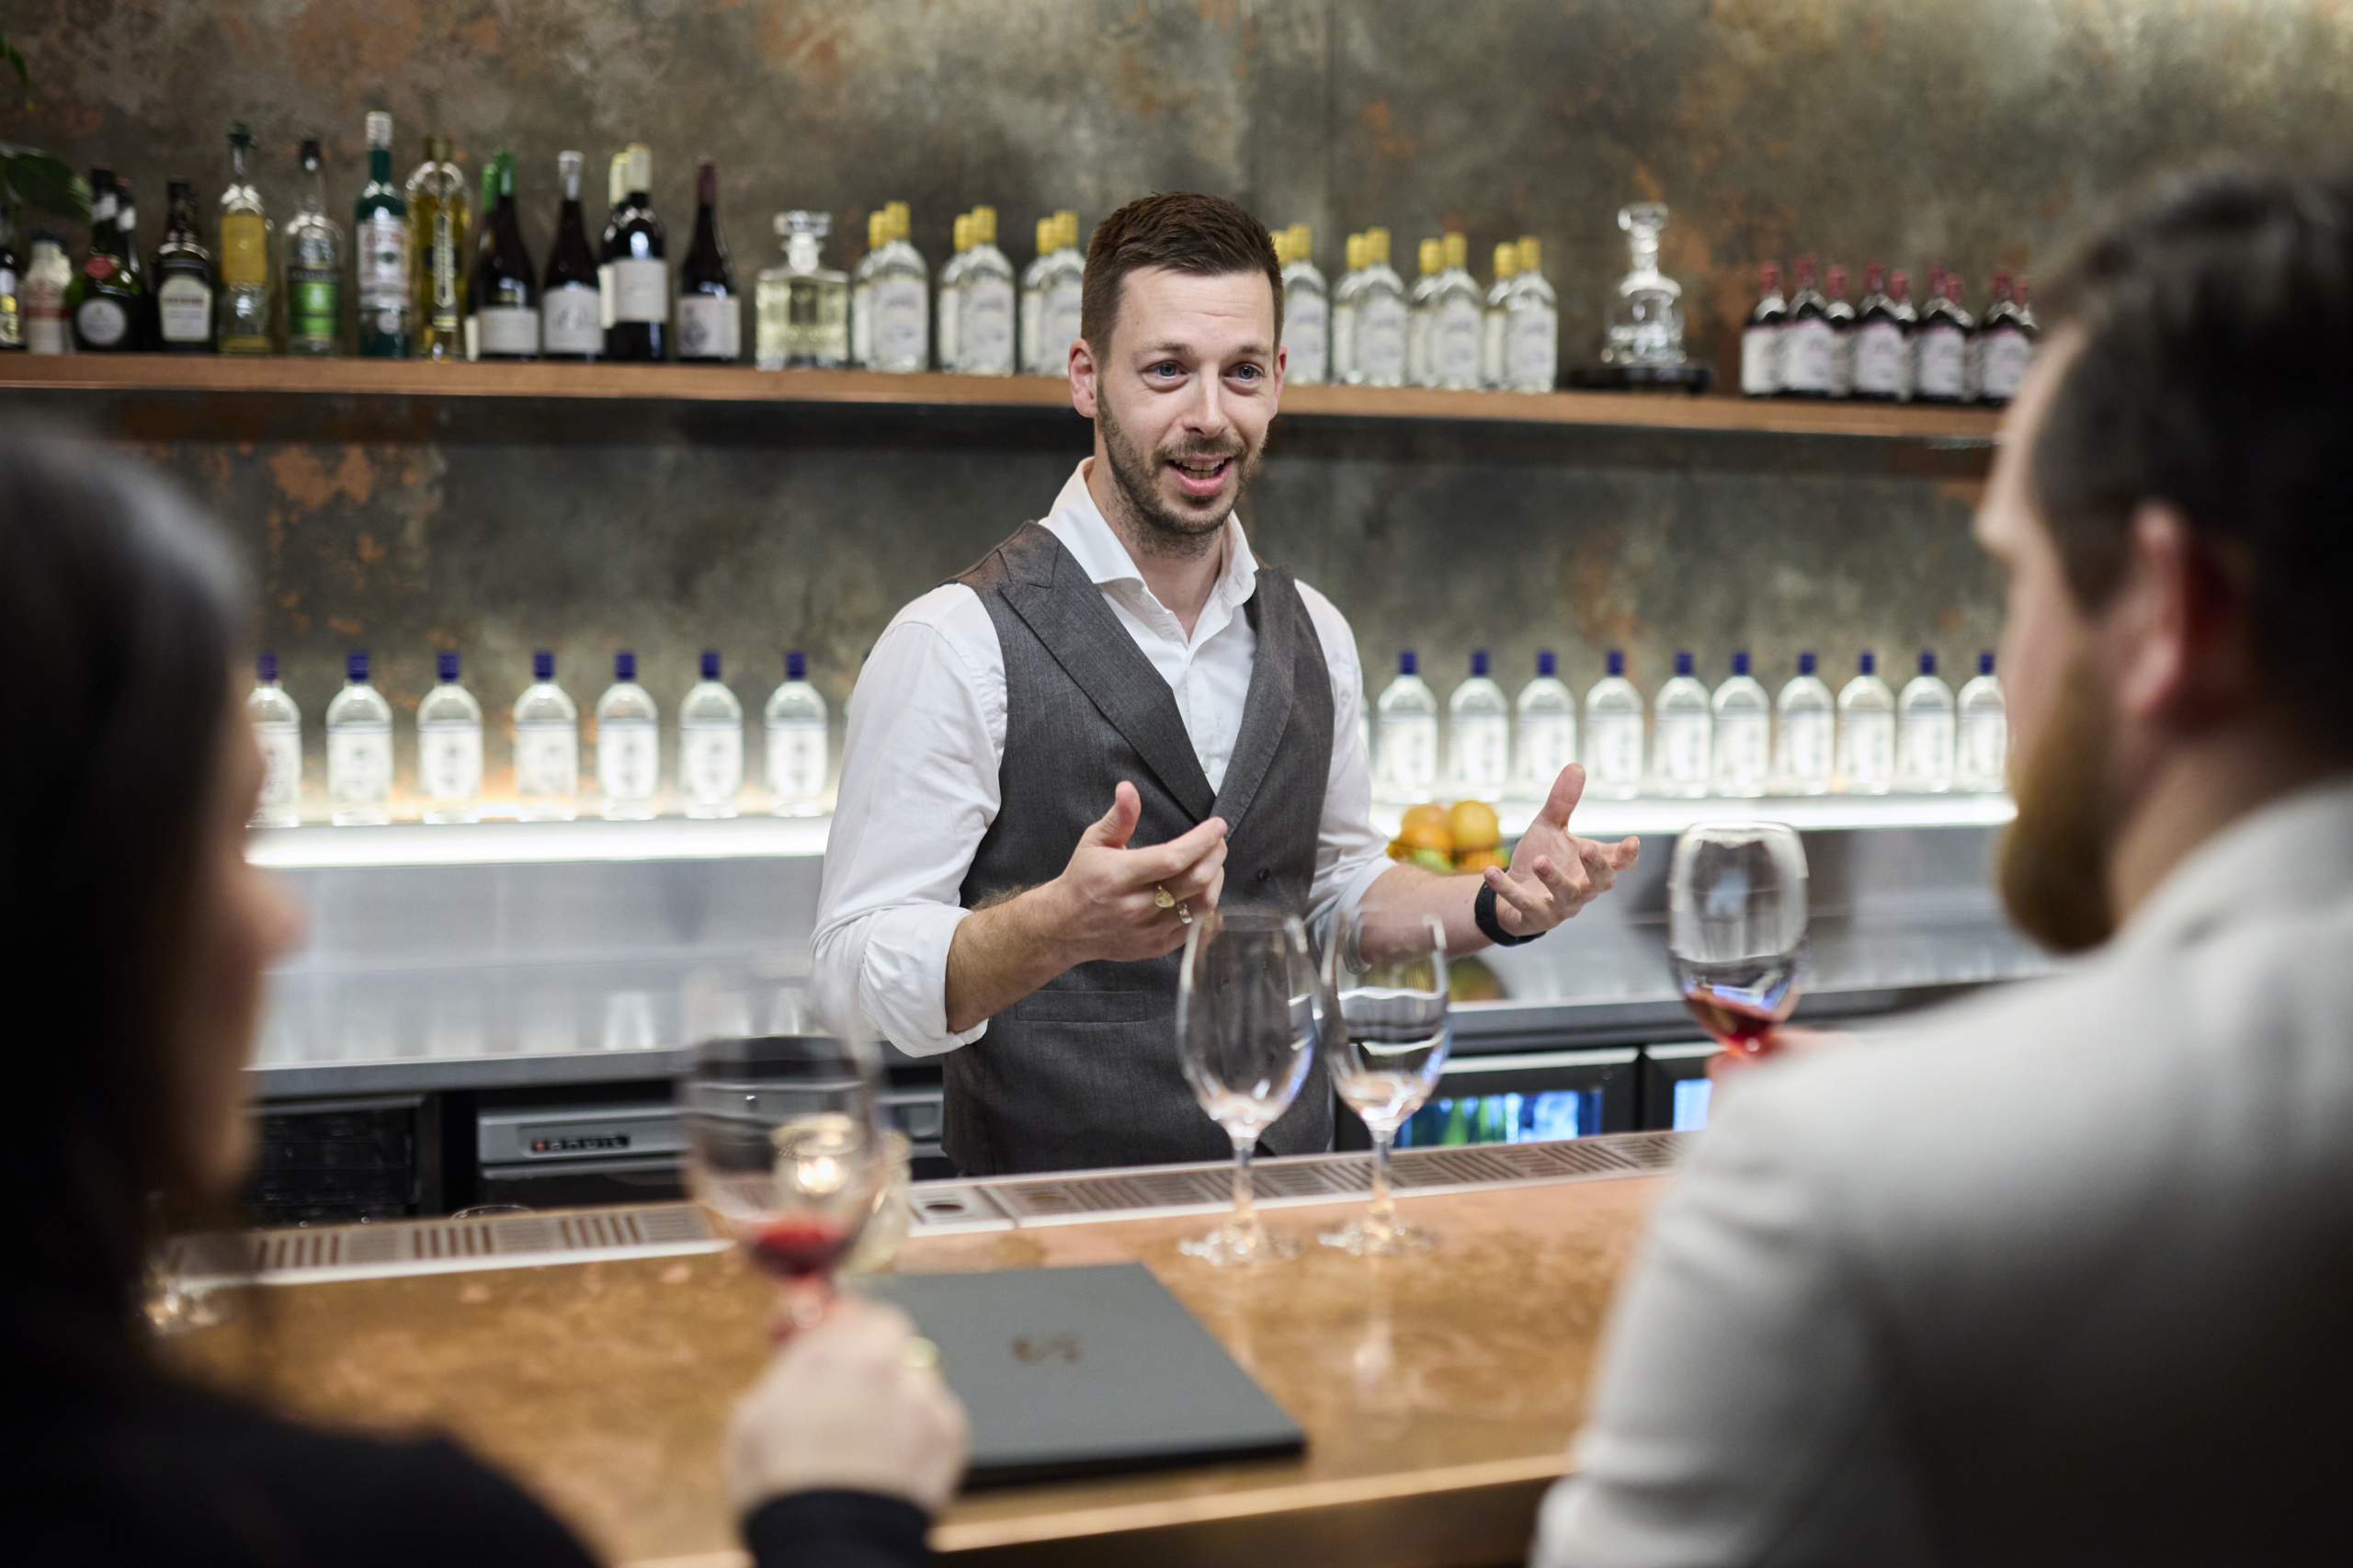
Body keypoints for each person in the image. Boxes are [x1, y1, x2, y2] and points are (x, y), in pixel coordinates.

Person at [1532, 165, 2353, 1565]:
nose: (2005, 662)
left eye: (2016, 578)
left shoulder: (1826, 1200)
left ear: (2165, 612)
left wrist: (1879, 1141)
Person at [0, 435, 965, 1565]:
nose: (285, 921)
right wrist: (838, 1513)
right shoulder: (377, 1529)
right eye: (227, 834)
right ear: (61, 900)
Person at [813, 191, 1640, 1176]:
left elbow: (1332, 890)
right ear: (1086, 377)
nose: (1208, 417)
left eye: (1240, 372)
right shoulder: (953, 641)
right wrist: (1052, 926)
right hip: (1050, 1244)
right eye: (1166, 371)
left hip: (1291, 1202)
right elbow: (848, 979)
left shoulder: (1313, 634)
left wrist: (1498, 902)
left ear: (1278, 379)